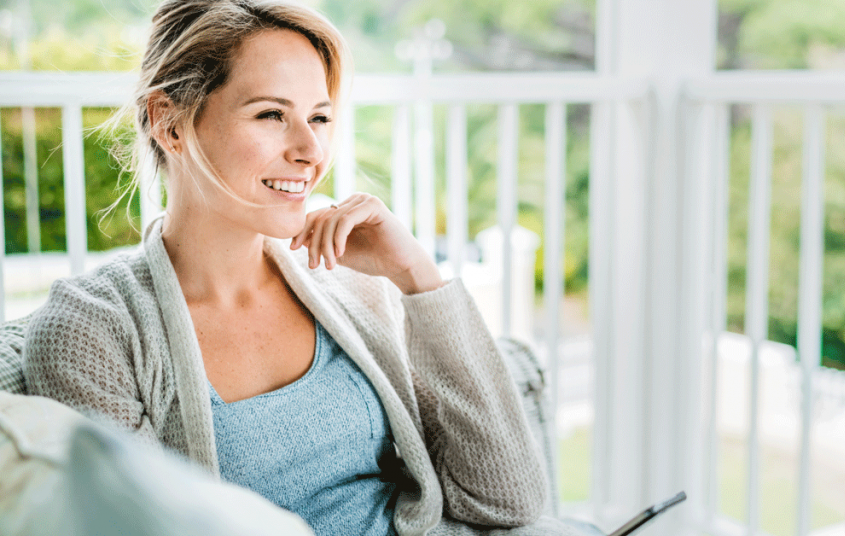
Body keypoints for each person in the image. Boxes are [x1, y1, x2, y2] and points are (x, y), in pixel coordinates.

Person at [23, 0, 581, 534]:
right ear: (169, 123)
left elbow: (506, 500)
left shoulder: (349, 280)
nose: (312, 151)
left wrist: (418, 279)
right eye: (271, 114)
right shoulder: (92, 332)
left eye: (320, 117)